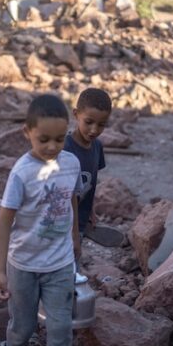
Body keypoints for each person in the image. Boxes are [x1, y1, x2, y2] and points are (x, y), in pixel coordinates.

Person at [0, 94, 82, 346]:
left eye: (59, 139)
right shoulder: (21, 173)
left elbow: (71, 199)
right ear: (27, 132)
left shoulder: (71, 164)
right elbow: (4, 223)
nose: (52, 146)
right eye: (43, 139)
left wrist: (75, 236)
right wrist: (0, 271)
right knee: (23, 325)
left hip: (60, 263)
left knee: (60, 328)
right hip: (23, 265)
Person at [63, 88, 112, 236]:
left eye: (101, 124)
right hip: (61, 221)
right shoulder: (65, 149)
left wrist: (90, 210)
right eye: (89, 122)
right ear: (76, 114)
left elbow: (90, 184)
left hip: (81, 220)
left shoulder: (97, 147)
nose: (94, 130)